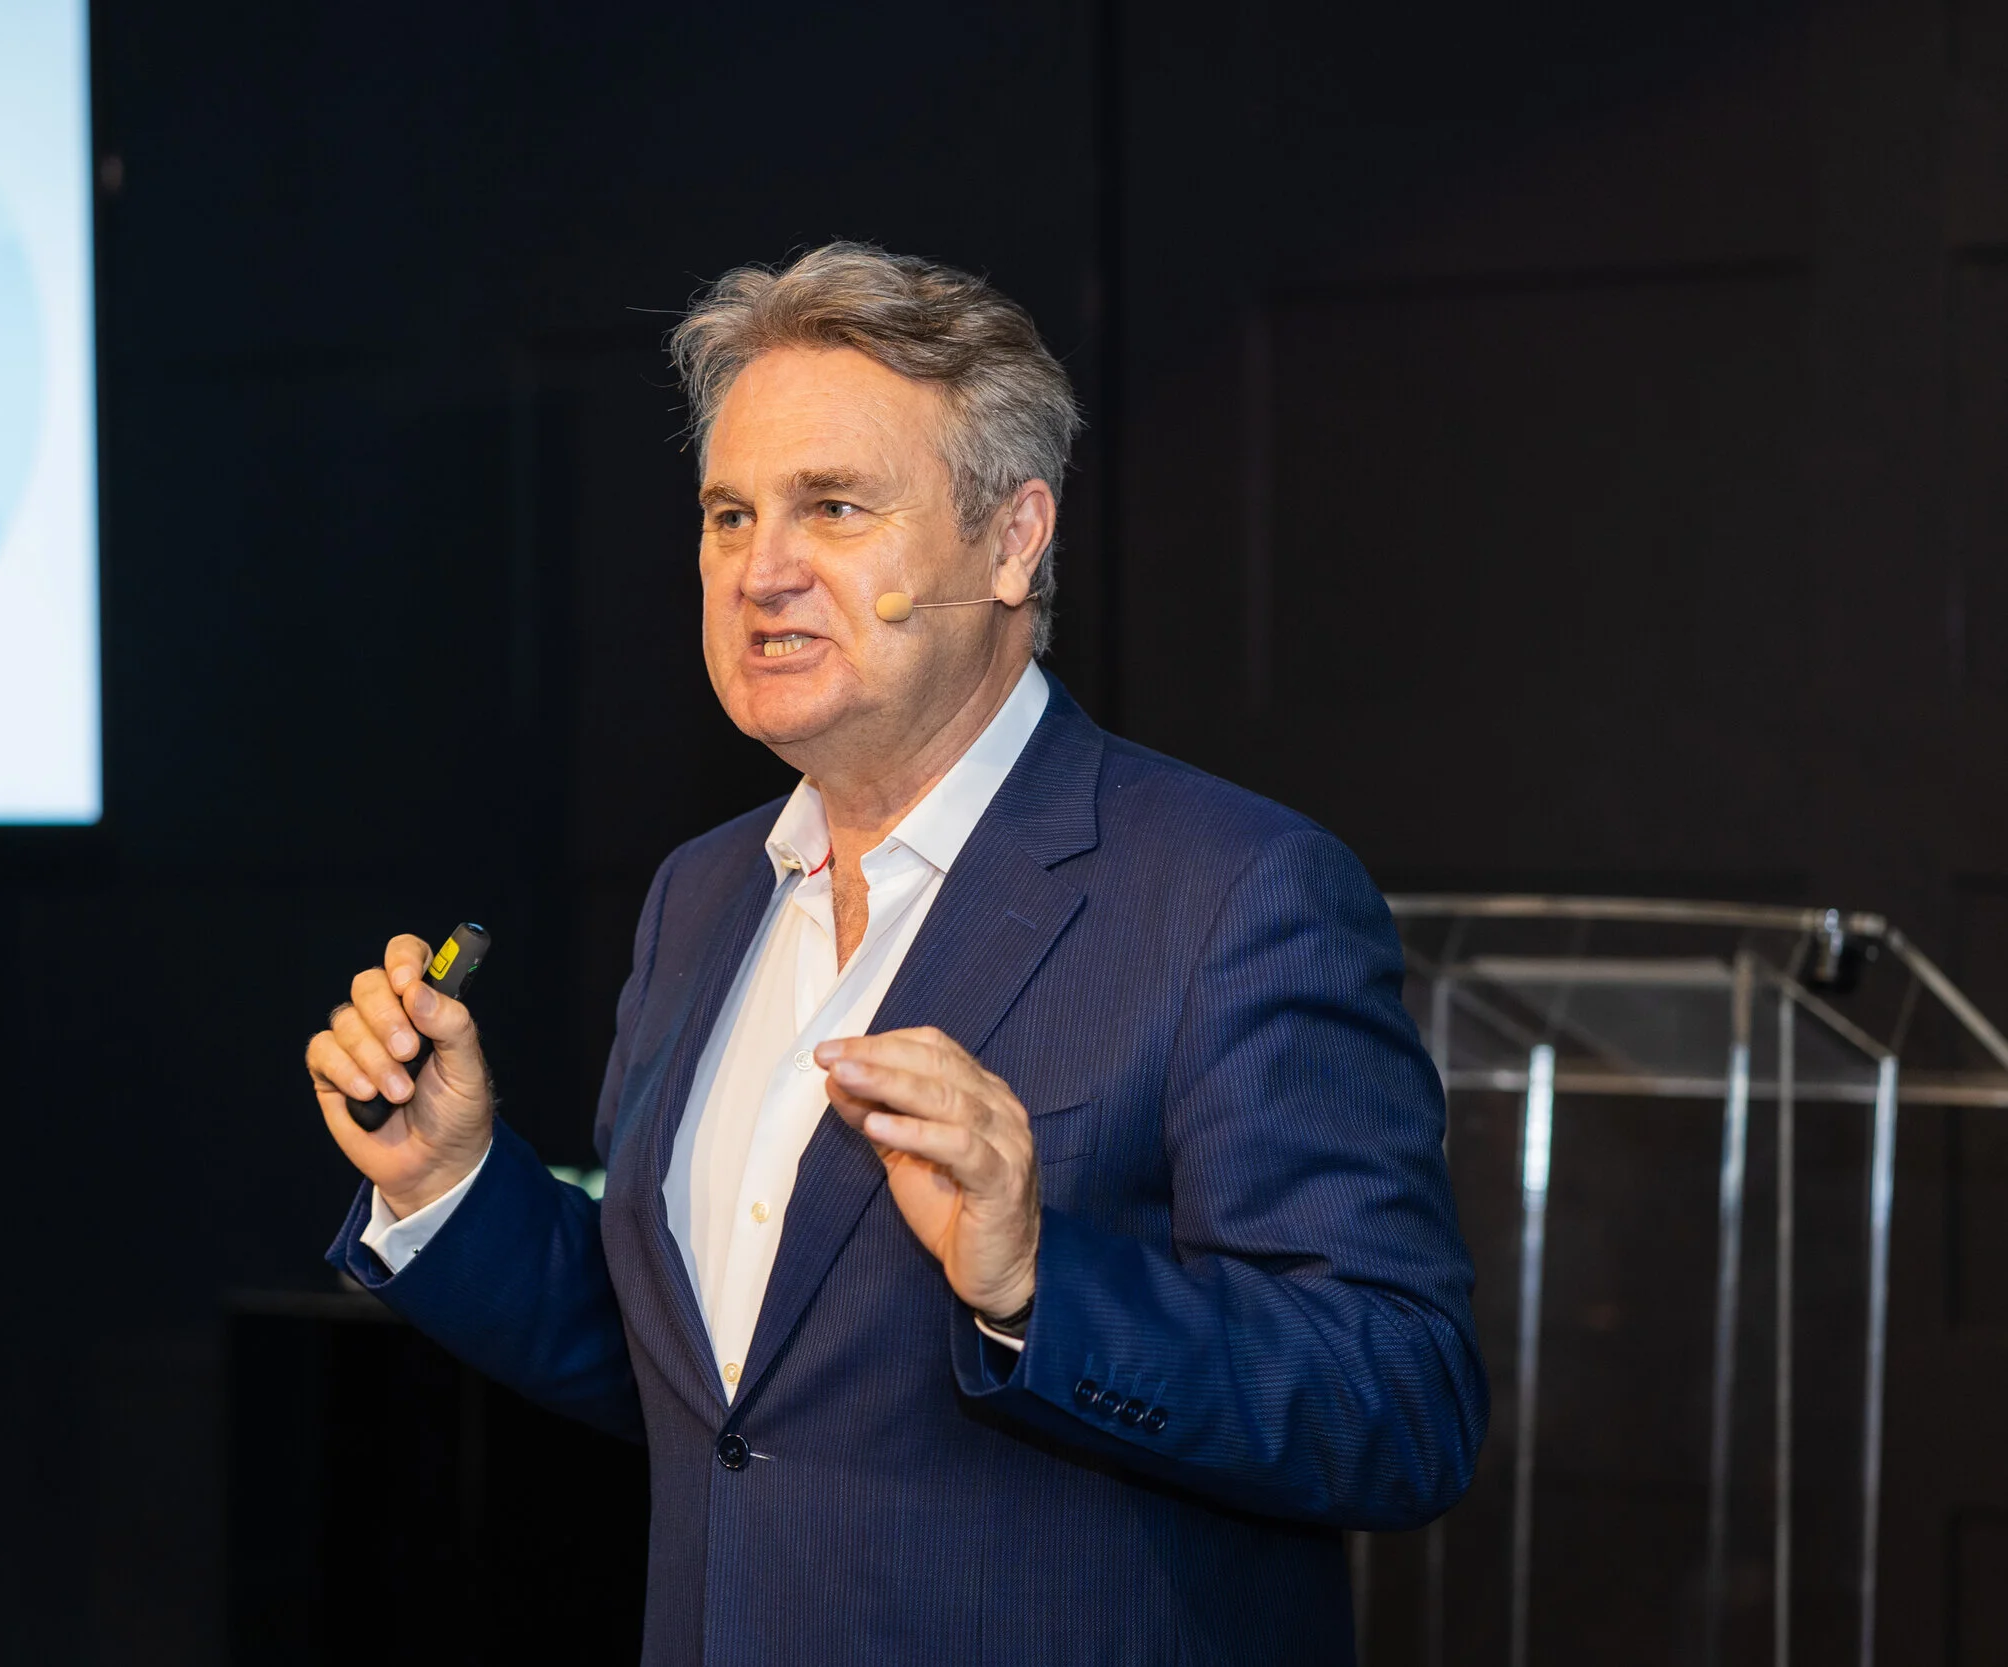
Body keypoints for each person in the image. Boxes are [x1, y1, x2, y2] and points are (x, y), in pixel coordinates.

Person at [307, 243, 1486, 1664]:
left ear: (1013, 539)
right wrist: (446, 1182)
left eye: (835, 506)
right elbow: (710, 1380)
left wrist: (1035, 1281)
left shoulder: (1234, 890)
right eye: (728, 514)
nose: (762, 571)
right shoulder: (700, 895)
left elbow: (1402, 1404)